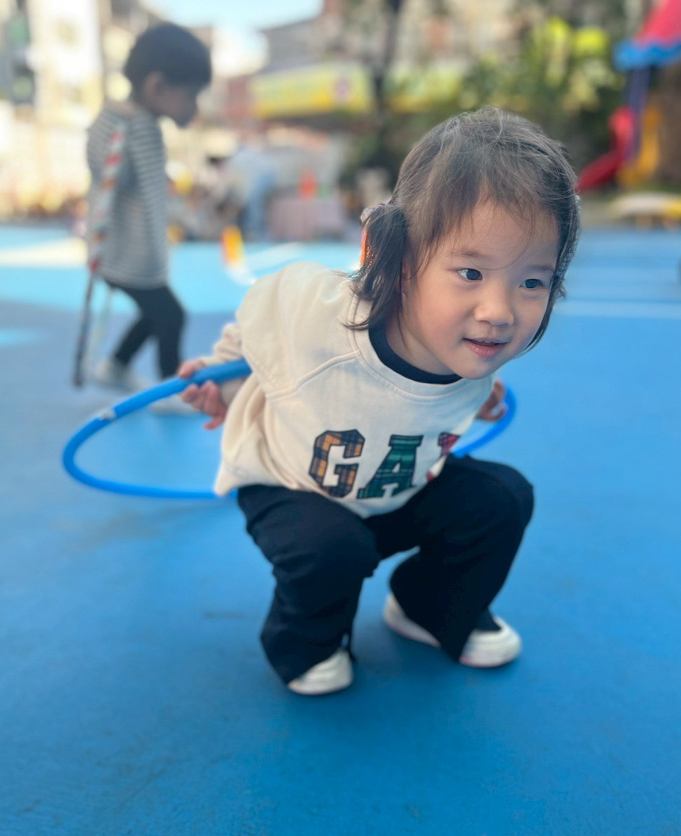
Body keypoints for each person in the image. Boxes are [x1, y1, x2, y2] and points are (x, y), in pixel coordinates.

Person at [179, 107, 580, 696]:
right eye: (470, 272)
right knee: (331, 548)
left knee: (502, 499)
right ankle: (303, 641)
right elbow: (258, 326)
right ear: (401, 259)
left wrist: (482, 396)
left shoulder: (471, 352)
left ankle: (428, 605)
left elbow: (421, 397)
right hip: (294, 487)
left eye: (532, 282)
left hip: (395, 488)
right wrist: (224, 384)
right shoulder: (319, 317)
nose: (499, 312)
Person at [86, 23, 211, 410]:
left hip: (121, 250)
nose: (194, 107)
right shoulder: (133, 125)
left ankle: (117, 365)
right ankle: (170, 388)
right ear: (157, 87)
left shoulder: (125, 120)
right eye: (191, 95)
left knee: (154, 313)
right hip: (129, 254)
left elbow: (123, 179)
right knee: (171, 315)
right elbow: (116, 176)